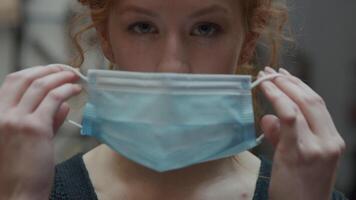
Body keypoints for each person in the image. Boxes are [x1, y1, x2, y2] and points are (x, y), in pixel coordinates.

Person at [0, 0, 348, 199]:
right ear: (105, 37)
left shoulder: (309, 194)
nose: (172, 65)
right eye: (143, 27)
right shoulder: (37, 190)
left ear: (246, 41)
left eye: (206, 28)